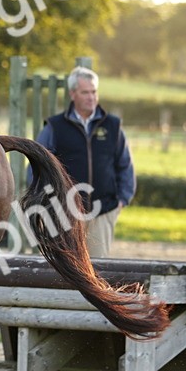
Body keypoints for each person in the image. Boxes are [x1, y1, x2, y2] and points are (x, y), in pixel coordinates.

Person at [36, 66, 136, 259]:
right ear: (72, 94)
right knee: (69, 266)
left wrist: (122, 200)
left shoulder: (112, 126)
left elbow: (125, 165)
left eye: (94, 92)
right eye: (85, 92)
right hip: (65, 213)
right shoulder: (55, 127)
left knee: (97, 267)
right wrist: (47, 201)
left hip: (103, 212)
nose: (91, 97)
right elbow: (38, 165)